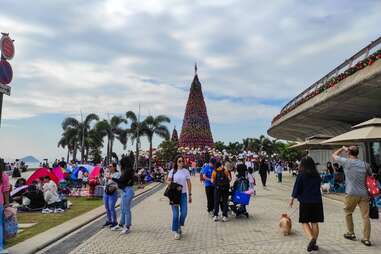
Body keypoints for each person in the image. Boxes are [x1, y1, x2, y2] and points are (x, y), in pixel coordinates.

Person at [332, 146, 372, 246]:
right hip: (364, 193)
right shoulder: (365, 164)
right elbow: (370, 175)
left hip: (351, 193)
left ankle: (351, 233)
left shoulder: (346, 162)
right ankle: (366, 239)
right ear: (357, 153)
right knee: (365, 217)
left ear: (349, 152)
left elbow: (334, 155)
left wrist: (342, 148)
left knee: (348, 212)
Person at [290, 156, 324, 252]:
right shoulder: (317, 175)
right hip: (317, 201)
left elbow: (297, 188)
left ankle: (311, 239)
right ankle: (314, 243)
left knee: (304, 222)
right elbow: (319, 187)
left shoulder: (301, 175)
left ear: (303, 165)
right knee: (314, 222)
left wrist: (292, 199)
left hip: (305, 202)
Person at [167, 155, 192, 240]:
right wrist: (172, 184)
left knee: (184, 212)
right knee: (175, 214)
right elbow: (167, 180)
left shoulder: (186, 171)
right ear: (176, 162)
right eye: (179, 161)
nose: (181, 163)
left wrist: (190, 194)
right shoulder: (172, 171)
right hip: (174, 195)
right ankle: (177, 231)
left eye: (182, 161)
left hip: (183, 195)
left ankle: (179, 225)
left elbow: (189, 183)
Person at [111, 156, 135, 234]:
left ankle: (127, 226)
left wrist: (112, 178)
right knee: (122, 208)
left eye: (121, 163)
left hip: (127, 191)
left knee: (126, 209)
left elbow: (121, 181)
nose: (120, 165)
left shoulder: (128, 171)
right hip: (125, 191)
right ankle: (121, 224)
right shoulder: (127, 170)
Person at [103, 162, 120, 227]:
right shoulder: (108, 173)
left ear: (114, 167)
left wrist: (109, 177)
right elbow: (104, 182)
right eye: (109, 166)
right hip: (106, 191)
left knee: (111, 207)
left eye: (111, 166)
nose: (109, 167)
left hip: (113, 192)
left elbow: (115, 181)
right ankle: (109, 220)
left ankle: (114, 221)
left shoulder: (117, 174)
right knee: (107, 207)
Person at [0, 158, 10, 253]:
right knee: (1, 224)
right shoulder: (3, 175)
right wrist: (7, 203)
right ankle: (1, 246)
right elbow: (6, 191)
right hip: (0, 203)